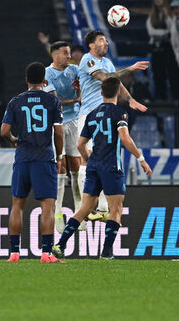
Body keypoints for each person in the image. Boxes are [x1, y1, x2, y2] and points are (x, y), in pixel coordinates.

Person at [52, 77, 152, 259]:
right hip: (111, 167)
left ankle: (60, 244)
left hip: (94, 166)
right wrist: (141, 159)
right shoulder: (120, 113)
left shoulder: (91, 115)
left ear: (100, 93)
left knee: (84, 209)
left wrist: (90, 160)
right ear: (117, 93)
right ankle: (106, 252)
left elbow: (81, 144)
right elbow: (125, 138)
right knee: (116, 210)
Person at [76, 30, 148, 221]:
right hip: (89, 115)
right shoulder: (87, 60)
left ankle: (100, 208)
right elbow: (105, 78)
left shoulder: (107, 62)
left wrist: (130, 99)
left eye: (106, 40)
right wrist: (130, 69)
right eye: (101, 40)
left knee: (104, 160)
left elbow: (115, 82)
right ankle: (86, 207)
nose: (106, 43)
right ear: (91, 45)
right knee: (86, 159)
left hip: (106, 115)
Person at [0, 62, 64, 263]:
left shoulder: (15, 101)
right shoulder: (53, 102)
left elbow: (3, 131)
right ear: (45, 80)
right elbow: (59, 133)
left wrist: (13, 140)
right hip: (44, 158)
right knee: (47, 206)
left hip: (23, 157)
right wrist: (60, 156)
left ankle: (14, 253)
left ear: (26, 79)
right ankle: (46, 253)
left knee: (17, 205)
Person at [43, 41, 83, 233]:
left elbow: (87, 86)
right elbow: (53, 101)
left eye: (69, 53)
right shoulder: (47, 73)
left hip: (75, 121)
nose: (69, 56)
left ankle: (79, 213)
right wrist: (76, 99)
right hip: (56, 124)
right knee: (60, 166)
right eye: (65, 53)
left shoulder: (75, 70)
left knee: (76, 165)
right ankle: (58, 213)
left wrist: (81, 91)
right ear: (55, 55)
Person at [146, 0, 178, 101]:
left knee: (173, 73)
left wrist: (167, 16)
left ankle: (176, 97)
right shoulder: (152, 16)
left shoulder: (170, 15)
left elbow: (173, 28)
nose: (158, 0)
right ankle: (161, 97)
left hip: (169, 48)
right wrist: (165, 33)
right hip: (157, 48)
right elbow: (151, 31)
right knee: (159, 74)